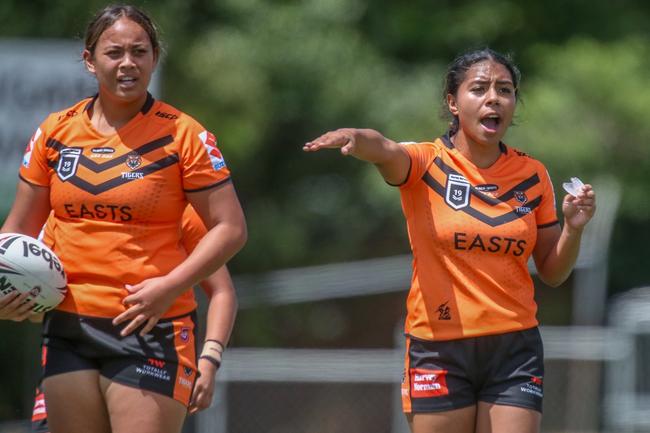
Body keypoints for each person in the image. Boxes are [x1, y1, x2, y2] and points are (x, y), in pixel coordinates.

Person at [303, 48, 596, 433]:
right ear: (452, 102)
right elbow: (386, 149)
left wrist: (574, 228)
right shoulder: (427, 162)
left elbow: (554, 272)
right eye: (479, 88)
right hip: (438, 346)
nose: (493, 98)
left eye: (505, 90)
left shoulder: (532, 174)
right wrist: (355, 138)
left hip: (514, 348)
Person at [0, 4, 246, 433]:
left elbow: (231, 229)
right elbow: (17, 231)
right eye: (114, 52)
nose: (128, 63)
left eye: (140, 51)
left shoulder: (184, 135)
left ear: (154, 57)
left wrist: (170, 288)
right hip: (68, 326)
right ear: (89, 60)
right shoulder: (55, 132)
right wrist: (6, 289)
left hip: (151, 327)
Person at [22, 206, 237, 433]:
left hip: (149, 352)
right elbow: (42, 303)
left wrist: (210, 358)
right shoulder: (63, 211)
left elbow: (223, 291)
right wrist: (20, 305)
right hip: (69, 352)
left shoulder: (179, 210)